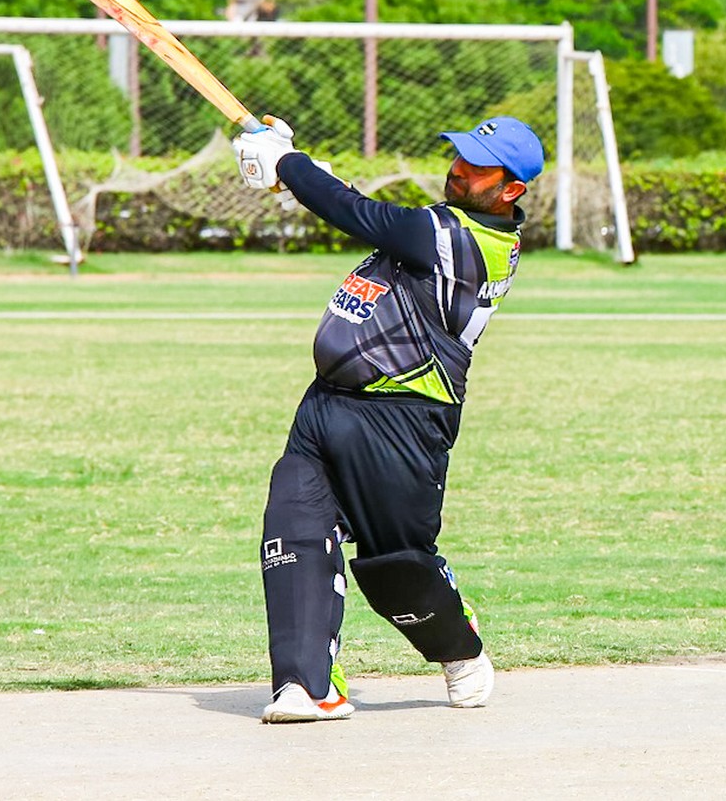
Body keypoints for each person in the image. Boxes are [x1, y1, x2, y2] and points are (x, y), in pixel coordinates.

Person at [231, 114, 544, 722]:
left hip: (402, 420)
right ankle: (307, 686)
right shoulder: (437, 226)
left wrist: (291, 165)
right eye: (459, 157)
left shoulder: (466, 239)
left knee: (396, 568)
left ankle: (459, 646)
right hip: (326, 403)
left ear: (511, 190)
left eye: (478, 168)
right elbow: (362, 210)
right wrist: (302, 176)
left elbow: (362, 216)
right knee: (293, 532)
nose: (459, 171)